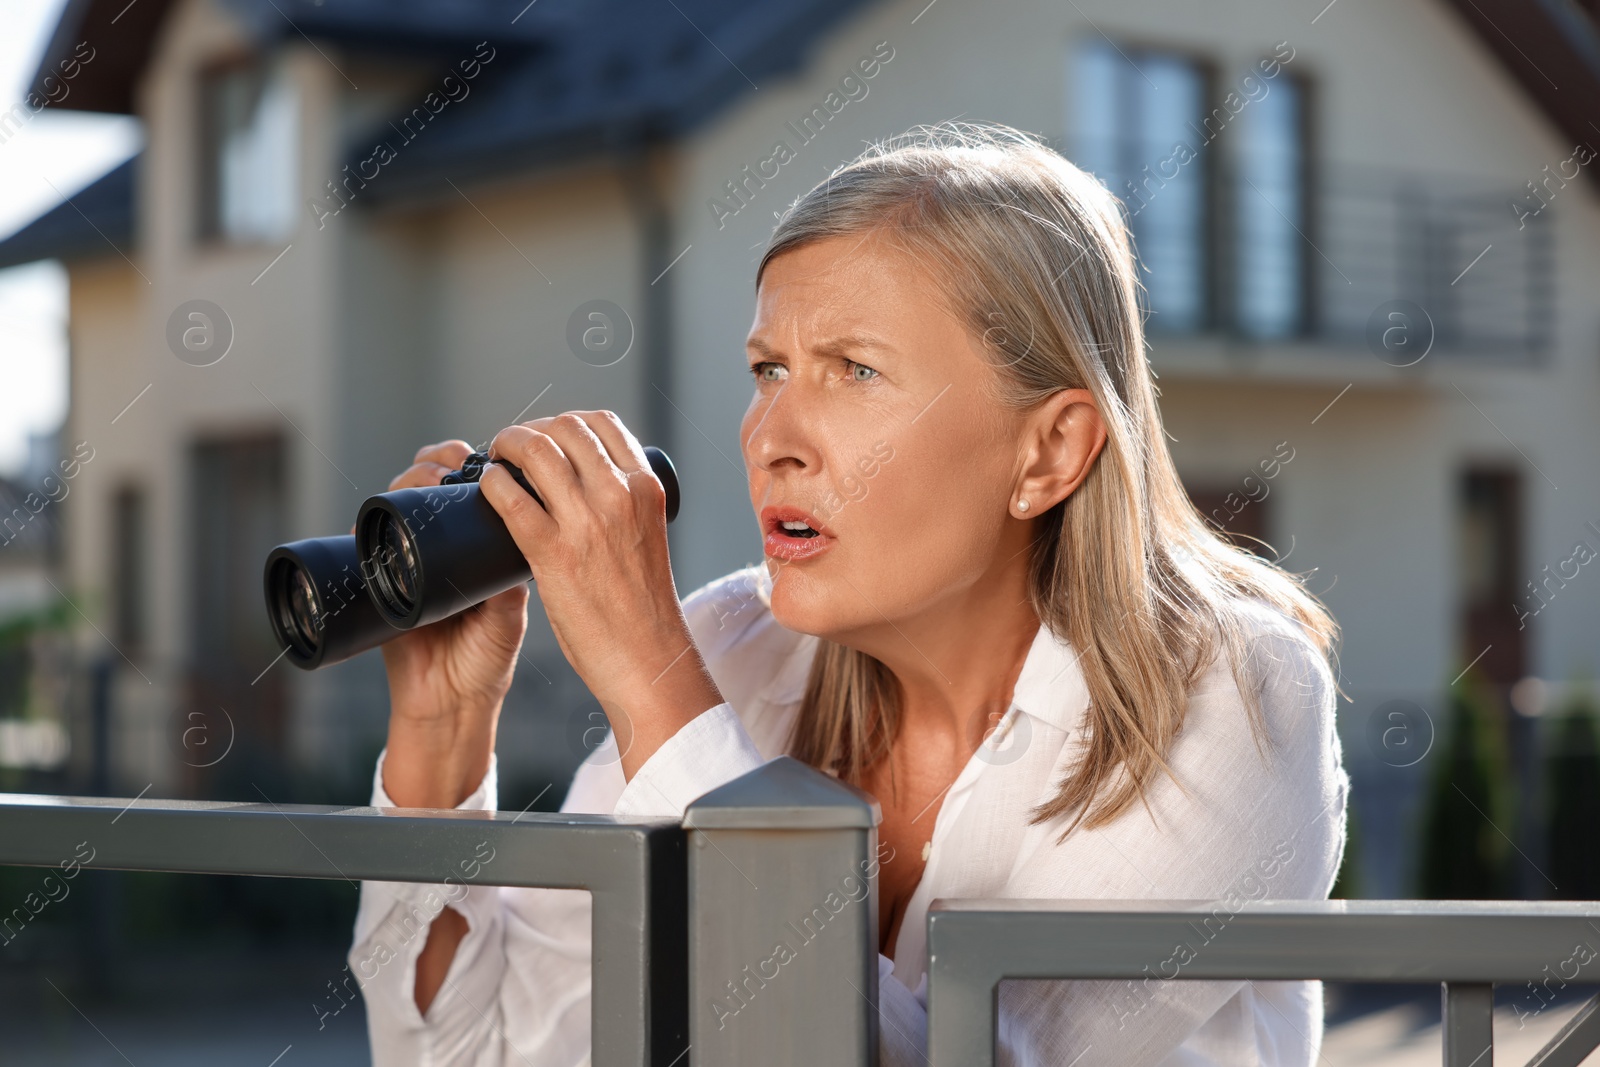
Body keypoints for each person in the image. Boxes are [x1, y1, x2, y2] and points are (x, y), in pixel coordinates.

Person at [351, 122, 1348, 1066]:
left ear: (1047, 450)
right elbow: (473, 1052)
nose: (769, 434)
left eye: (853, 370)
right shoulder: (731, 651)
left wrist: (654, 687)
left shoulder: (1231, 689)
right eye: (767, 367)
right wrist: (443, 728)